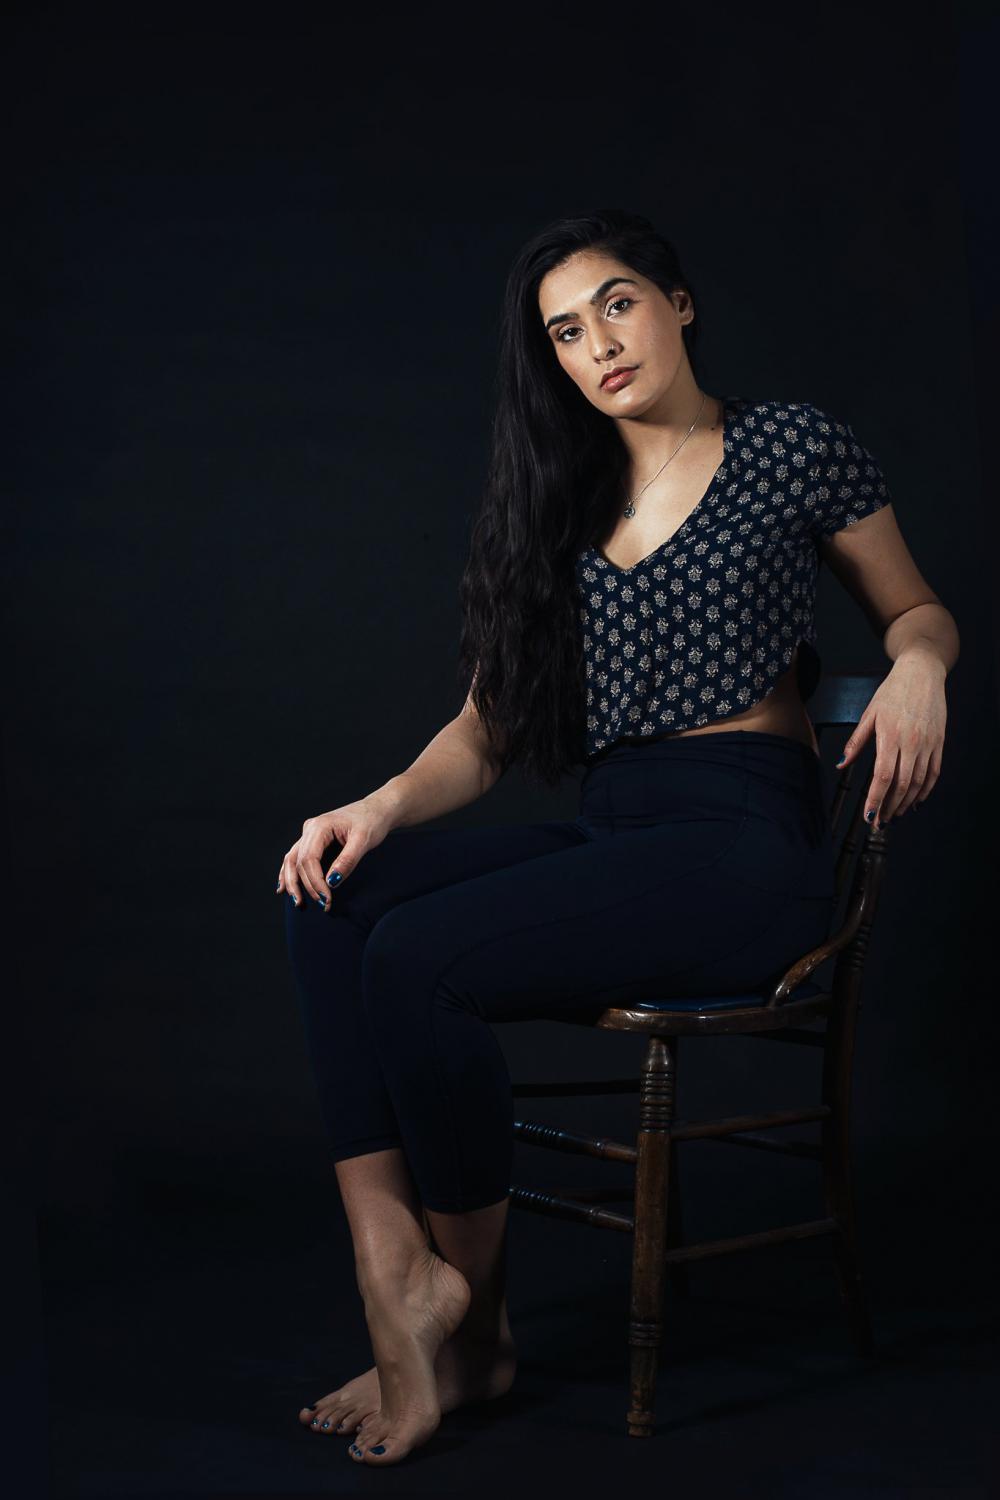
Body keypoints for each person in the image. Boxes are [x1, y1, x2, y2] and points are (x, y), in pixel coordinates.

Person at [277, 209, 957, 1467]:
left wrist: (919, 668)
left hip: (744, 849)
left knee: (418, 958)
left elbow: (913, 607)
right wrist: (375, 805)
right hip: (616, 834)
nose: (599, 344)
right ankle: (399, 1270)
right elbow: (487, 729)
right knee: (332, 899)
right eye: (565, 332)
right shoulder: (559, 495)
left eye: (618, 304)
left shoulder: (789, 445)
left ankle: (461, 1320)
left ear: (677, 304)